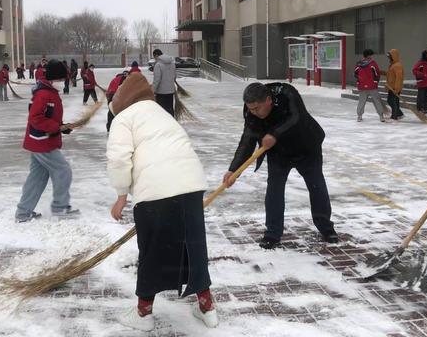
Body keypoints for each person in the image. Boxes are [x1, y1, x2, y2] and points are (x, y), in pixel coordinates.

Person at [107, 73, 217, 331]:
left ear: (121, 101)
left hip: (155, 190)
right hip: (190, 186)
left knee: (152, 251)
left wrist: (121, 196)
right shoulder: (161, 113)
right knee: (193, 248)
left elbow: (119, 159)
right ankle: (207, 308)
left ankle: (143, 315)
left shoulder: (123, 118)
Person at [223, 82, 338, 250]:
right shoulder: (251, 112)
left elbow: (296, 118)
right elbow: (247, 141)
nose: (253, 112)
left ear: (268, 100)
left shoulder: (286, 94)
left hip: (306, 147)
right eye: (250, 109)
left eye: (256, 108)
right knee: (274, 190)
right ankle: (272, 233)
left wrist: (274, 134)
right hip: (279, 153)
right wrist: (234, 170)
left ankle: (326, 227)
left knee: (316, 186)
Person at [15, 59, 80, 223]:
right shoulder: (44, 94)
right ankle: (60, 207)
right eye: (61, 79)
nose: (62, 83)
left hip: (39, 140)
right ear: (54, 78)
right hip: (42, 141)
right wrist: (56, 127)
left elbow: (47, 116)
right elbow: (35, 117)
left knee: (37, 177)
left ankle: (23, 212)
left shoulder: (48, 91)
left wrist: (61, 126)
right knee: (63, 170)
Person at [354, 49, 385, 122]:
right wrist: (376, 82)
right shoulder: (373, 64)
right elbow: (377, 74)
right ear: (369, 55)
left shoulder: (359, 64)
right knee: (377, 101)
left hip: (362, 86)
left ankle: (359, 116)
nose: (372, 56)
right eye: (371, 55)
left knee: (361, 101)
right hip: (372, 86)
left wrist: (360, 81)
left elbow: (355, 74)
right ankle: (381, 116)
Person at [152, 49, 176, 116]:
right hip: (171, 91)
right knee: (170, 109)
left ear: (156, 55)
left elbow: (157, 80)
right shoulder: (172, 63)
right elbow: (174, 77)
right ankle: (172, 123)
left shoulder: (158, 65)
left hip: (161, 93)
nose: (155, 59)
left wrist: (152, 91)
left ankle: (164, 125)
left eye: (154, 57)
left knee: (162, 111)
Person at [382, 49, 404, 120]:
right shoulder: (392, 65)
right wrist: (381, 72)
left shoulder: (397, 66)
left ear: (393, 56)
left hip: (395, 88)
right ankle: (398, 114)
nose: (389, 58)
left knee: (391, 101)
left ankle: (395, 115)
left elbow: (399, 78)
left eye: (390, 56)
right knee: (394, 102)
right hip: (391, 87)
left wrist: (396, 89)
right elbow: (390, 75)